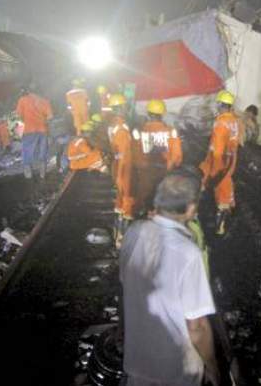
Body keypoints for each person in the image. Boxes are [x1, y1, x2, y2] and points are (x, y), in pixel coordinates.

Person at [120, 172, 220, 386]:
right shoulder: (188, 253)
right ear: (191, 208)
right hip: (175, 369)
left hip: (138, 362)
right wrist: (212, 366)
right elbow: (197, 327)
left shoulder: (133, 233)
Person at [199, 90, 241, 236]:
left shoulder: (221, 122)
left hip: (219, 160)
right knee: (226, 188)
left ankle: (219, 228)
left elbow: (217, 148)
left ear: (221, 104)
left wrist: (213, 172)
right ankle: (222, 220)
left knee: (220, 191)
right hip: (230, 159)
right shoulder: (234, 120)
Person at [132, 99, 183, 217]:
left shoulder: (140, 132)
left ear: (149, 114)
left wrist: (140, 167)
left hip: (145, 175)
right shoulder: (171, 132)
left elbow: (134, 154)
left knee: (143, 204)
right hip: (165, 173)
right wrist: (172, 167)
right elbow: (177, 155)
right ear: (162, 114)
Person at [107, 93, 135, 247]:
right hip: (125, 170)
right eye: (126, 106)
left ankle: (117, 236)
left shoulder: (114, 125)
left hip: (118, 167)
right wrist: (122, 175)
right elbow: (124, 154)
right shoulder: (122, 129)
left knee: (119, 205)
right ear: (121, 107)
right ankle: (122, 240)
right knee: (126, 204)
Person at [15, 84, 53, 179]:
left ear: (28, 91)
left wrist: (19, 132)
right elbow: (50, 117)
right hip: (42, 130)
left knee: (27, 151)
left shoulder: (23, 100)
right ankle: (42, 173)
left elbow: (18, 117)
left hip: (28, 130)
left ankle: (28, 174)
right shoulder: (45, 101)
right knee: (43, 151)